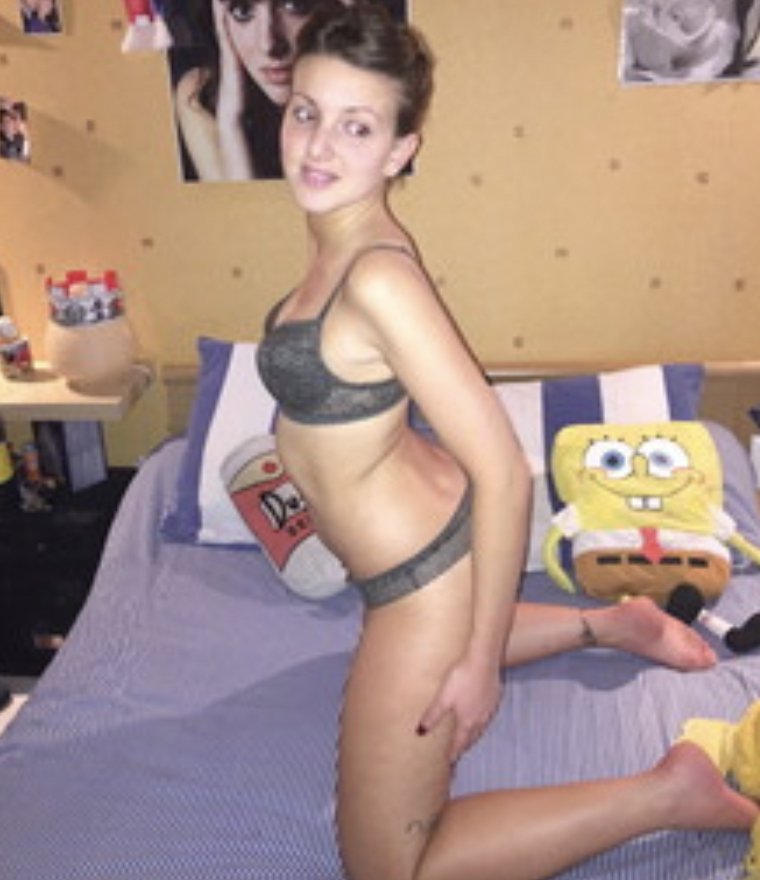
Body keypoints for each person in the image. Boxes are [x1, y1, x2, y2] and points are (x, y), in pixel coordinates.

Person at [256, 3, 760, 878]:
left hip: (418, 585)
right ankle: (614, 622)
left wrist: (480, 665)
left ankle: (668, 791)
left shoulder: (378, 277)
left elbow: (504, 471)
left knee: (389, 870)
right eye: (307, 112)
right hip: (408, 554)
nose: (318, 146)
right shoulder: (337, 236)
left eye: (357, 126)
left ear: (400, 151)